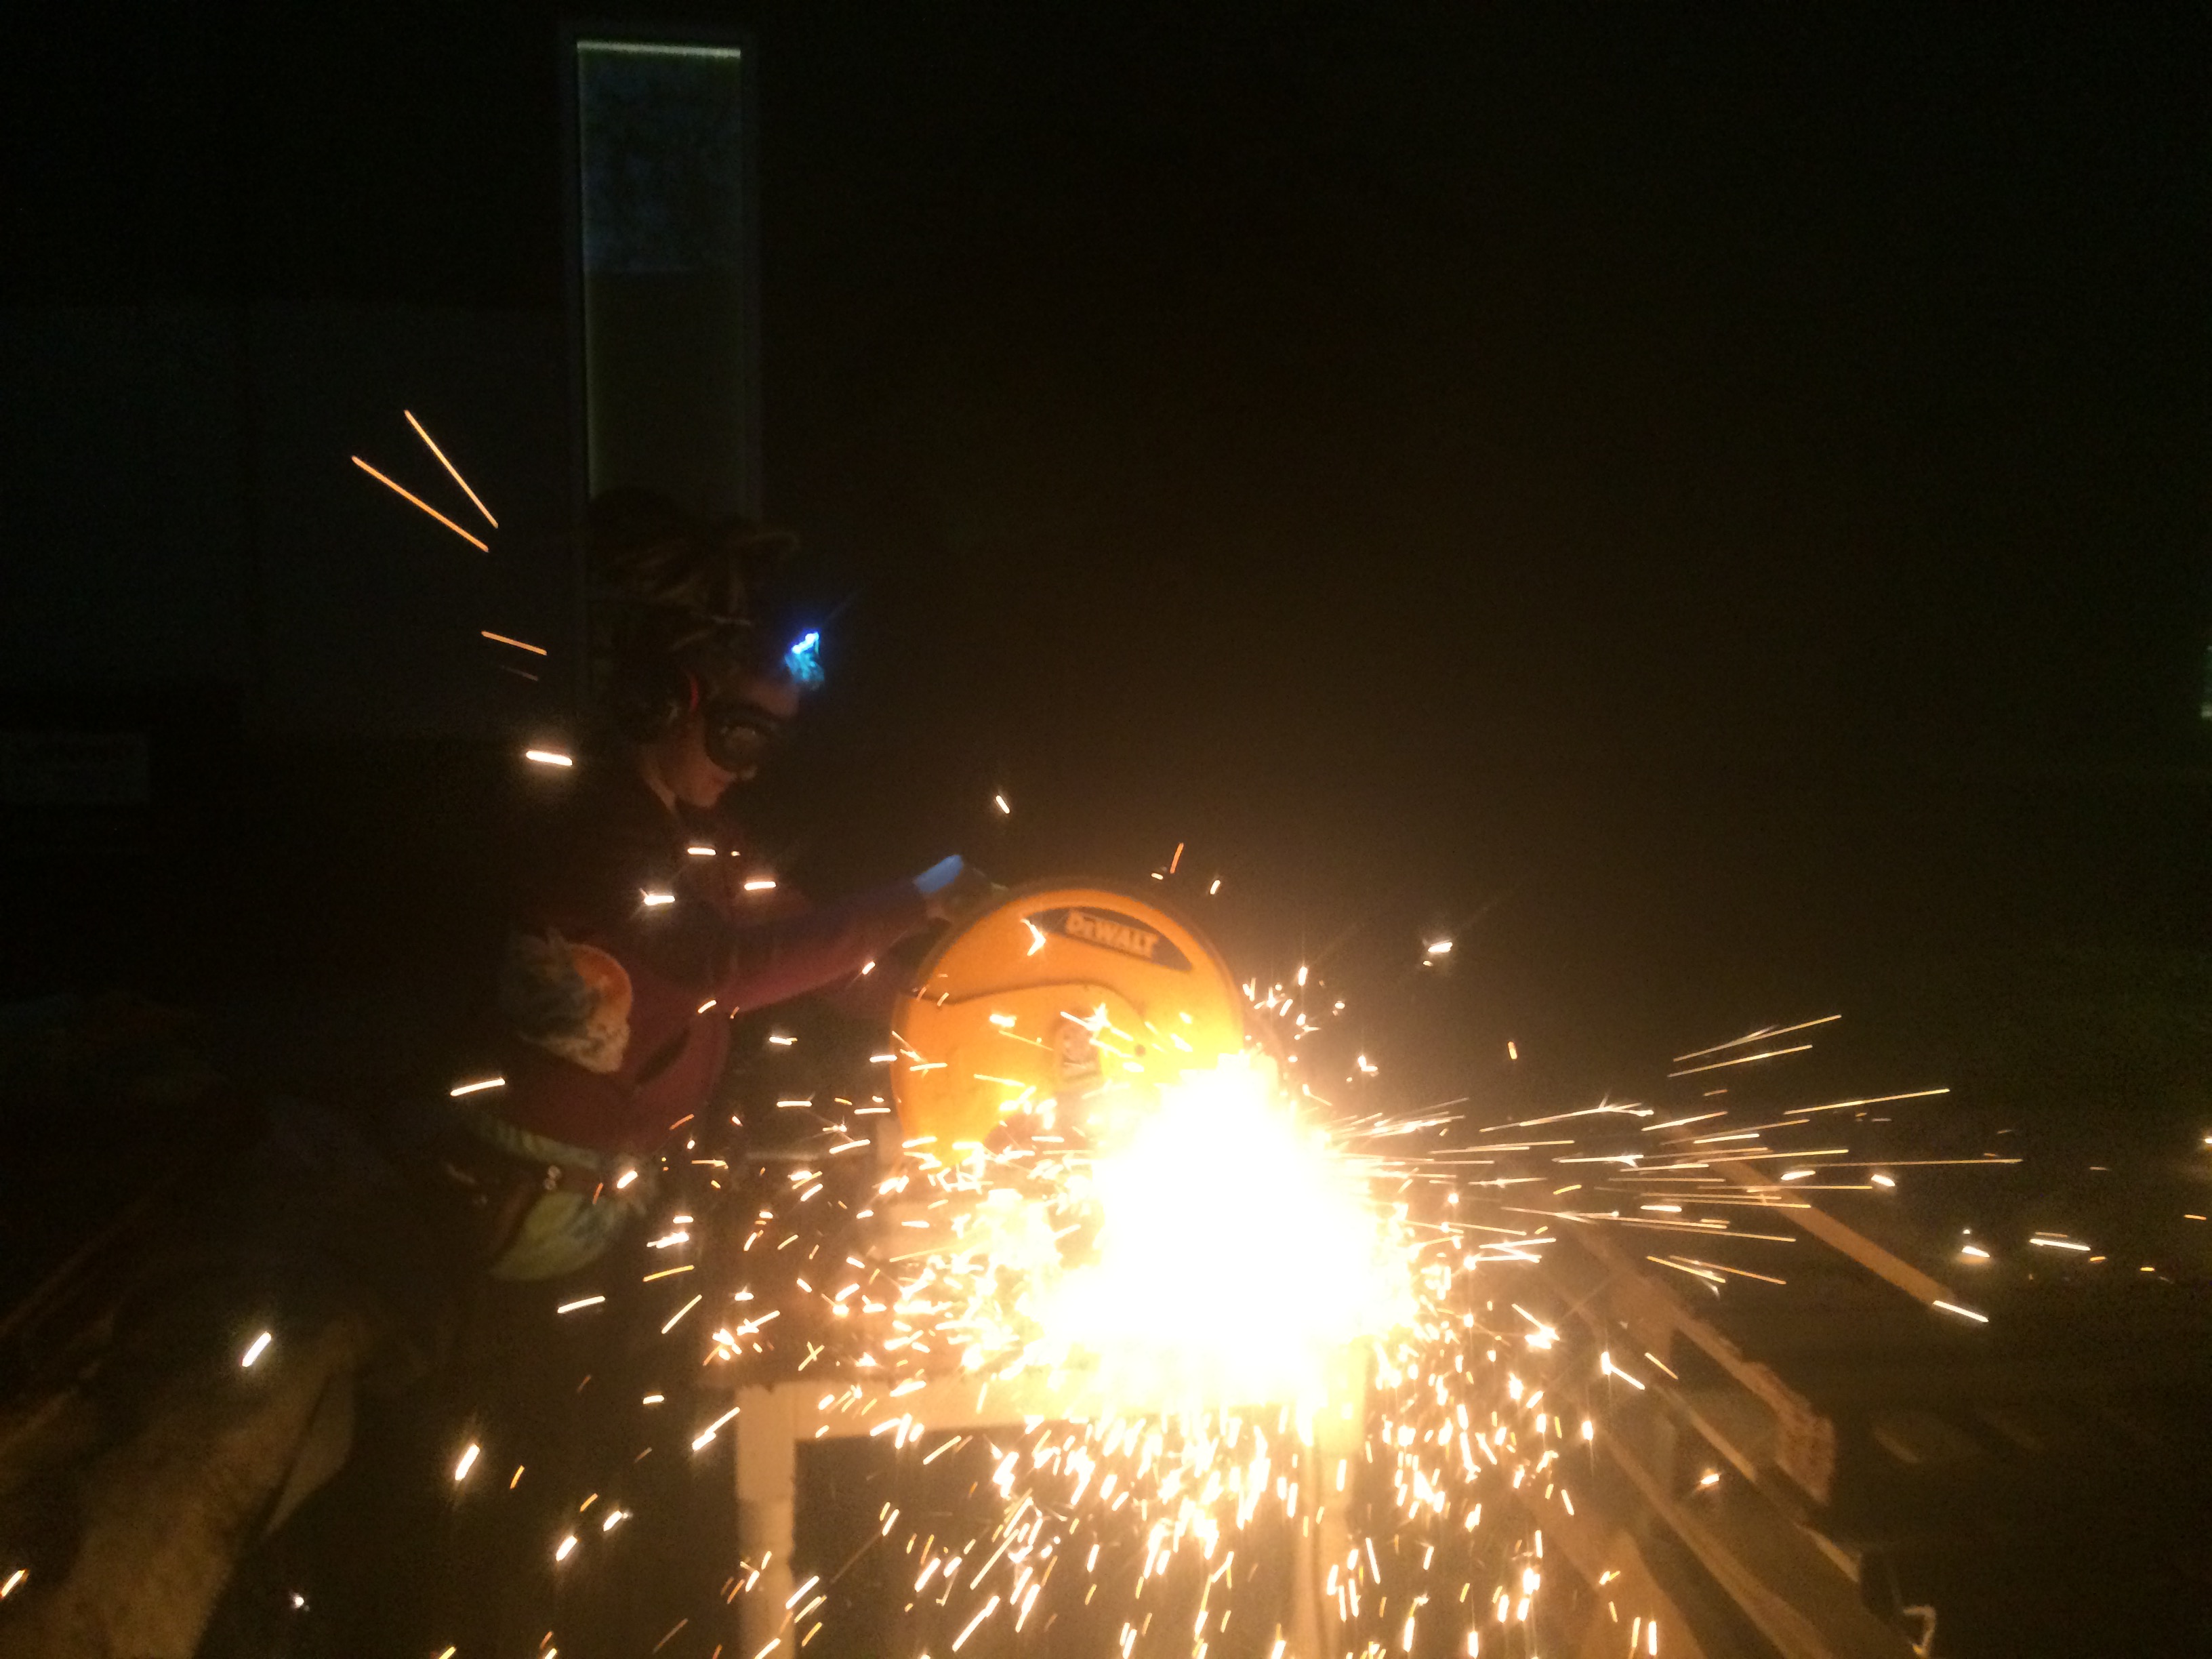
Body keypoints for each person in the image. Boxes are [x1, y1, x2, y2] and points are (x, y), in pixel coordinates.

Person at [431, 493, 991, 1280]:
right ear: (668, 703)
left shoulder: (708, 841)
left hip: (615, 1183)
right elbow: (723, 969)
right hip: (529, 1202)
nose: (750, 769)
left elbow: (825, 961)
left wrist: (952, 1019)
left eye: (771, 745)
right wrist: (916, 897)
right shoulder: (595, 824)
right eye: (741, 735)